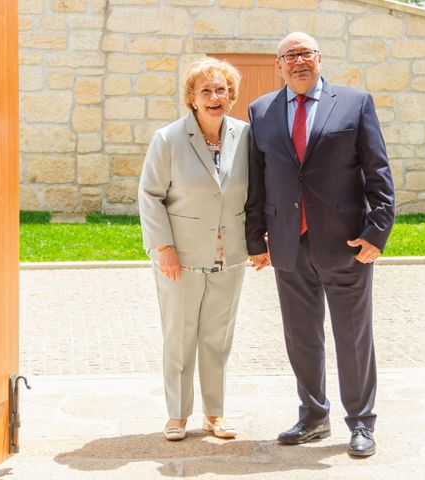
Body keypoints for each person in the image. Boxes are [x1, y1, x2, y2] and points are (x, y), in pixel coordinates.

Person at [245, 32, 395, 456]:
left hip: (346, 242)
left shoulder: (354, 102)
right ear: (279, 64)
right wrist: (256, 239)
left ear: (319, 58)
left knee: (353, 336)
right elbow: (259, 179)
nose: (297, 62)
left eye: (305, 54)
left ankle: (361, 422)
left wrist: (377, 232)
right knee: (301, 336)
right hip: (288, 245)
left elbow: (378, 170)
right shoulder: (261, 111)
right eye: (289, 55)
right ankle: (313, 416)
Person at [138, 57, 248, 441]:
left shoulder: (246, 136)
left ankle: (214, 414)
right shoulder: (168, 139)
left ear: (231, 95)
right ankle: (177, 415)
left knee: (217, 338)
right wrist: (163, 247)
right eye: (206, 91)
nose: (215, 97)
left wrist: (258, 243)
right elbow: (150, 196)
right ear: (192, 97)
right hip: (179, 258)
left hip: (229, 256)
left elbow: (255, 195)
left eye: (221, 90)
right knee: (180, 335)